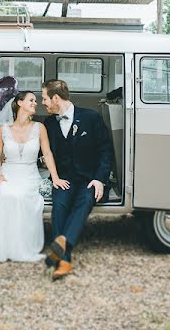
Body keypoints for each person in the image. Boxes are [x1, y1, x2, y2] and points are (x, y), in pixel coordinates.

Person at [0, 91, 69, 263]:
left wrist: (55, 177)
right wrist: (0, 174)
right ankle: (3, 247)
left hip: (29, 175)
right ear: (19, 103)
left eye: (36, 101)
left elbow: (47, 154)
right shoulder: (3, 129)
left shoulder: (40, 128)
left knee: (21, 196)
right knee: (3, 194)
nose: (35, 103)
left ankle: (23, 248)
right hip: (8, 173)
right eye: (31, 100)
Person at [41, 79, 113, 280]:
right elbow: (45, 153)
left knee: (84, 202)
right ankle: (64, 258)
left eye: (45, 98)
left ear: (56, 98)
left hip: (89, 179)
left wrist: (100, 179)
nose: (43, 103)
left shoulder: (91, 118)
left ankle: (60, 250)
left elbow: (106, 152)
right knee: (60, 207)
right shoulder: (49, 123)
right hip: (63, 179)